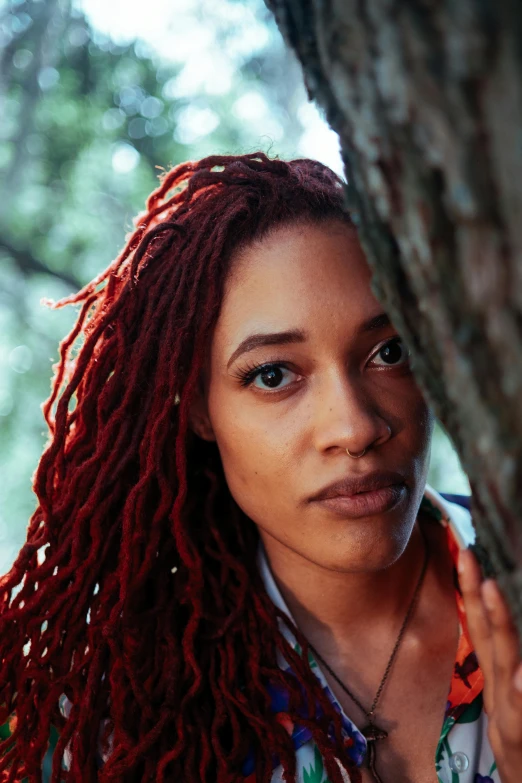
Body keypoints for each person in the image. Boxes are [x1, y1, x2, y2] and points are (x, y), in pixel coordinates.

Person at [0, 153, 520, 783]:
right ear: (196, 408)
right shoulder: (119, 710)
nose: (355, 427)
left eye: (391, 352)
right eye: (273, 374)